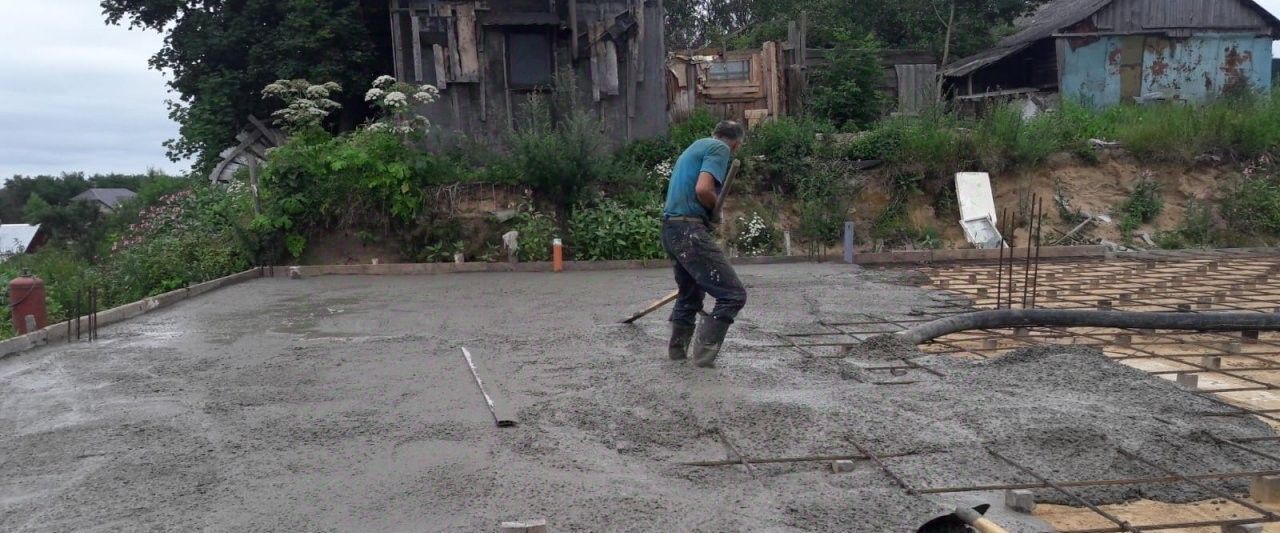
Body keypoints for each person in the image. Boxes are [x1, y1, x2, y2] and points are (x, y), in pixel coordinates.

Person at [661, 120, 747, 368]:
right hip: (688, 230)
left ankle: (677, 356)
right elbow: (703, 189)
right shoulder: (719, 149)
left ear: (715, 132)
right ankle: (703, 357)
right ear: (736, 145)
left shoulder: (695, 146)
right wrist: (714, 210)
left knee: (689, 296)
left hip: (671, 229)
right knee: (732, 294)